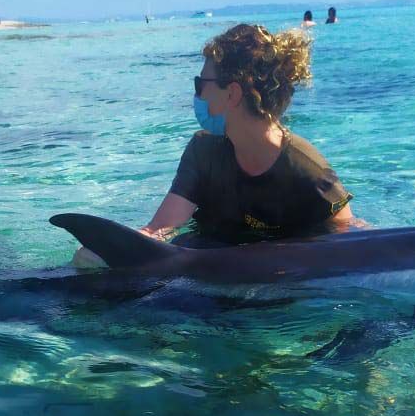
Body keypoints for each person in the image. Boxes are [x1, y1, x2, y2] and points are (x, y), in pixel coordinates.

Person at [72, 23, 353, 268]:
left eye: (200, 84)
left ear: (231, 93)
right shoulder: (203, 150)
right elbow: (160, 229)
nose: (196, 93)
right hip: (204, 263)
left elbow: (352, 243)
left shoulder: (307, 171)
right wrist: (109, 251)